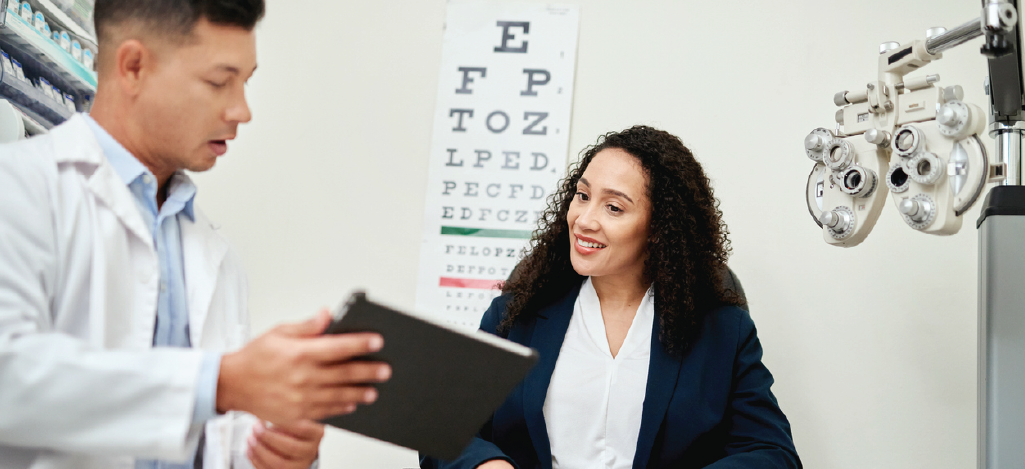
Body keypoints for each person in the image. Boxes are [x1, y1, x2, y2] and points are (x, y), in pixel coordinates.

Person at [0, 1, 391, 468]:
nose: (242, 110)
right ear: (133, 67)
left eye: (245, 82)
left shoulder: (212, 250)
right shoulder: (19, 188)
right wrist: (219, 382)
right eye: (219, 81)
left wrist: (279, 455)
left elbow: (212, 439)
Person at [421, 126, 801, 469]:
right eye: (582, 195)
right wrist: (485, 465)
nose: (585, 219)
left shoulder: (721, 330)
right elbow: (441, 427)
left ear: (658, 228)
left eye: (614, 207)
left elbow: (773, 453)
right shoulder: (517, 314)